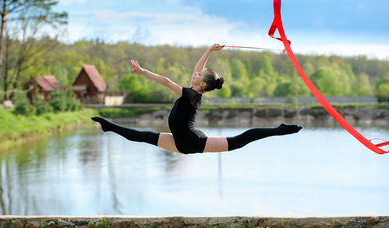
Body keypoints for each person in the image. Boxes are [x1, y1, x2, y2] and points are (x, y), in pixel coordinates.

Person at [92, 44, 302, 154]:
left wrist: (144, 71)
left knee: (240, 140)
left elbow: (166, 81)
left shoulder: (193, 95)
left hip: (192, 142)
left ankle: (280, 129)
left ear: (202, 85)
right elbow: (197, 67)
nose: (195, 74)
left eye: (199, 76)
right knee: (144, 136)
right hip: (179, 140)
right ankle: (109, 126)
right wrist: (209, 50)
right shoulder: (195, 91)